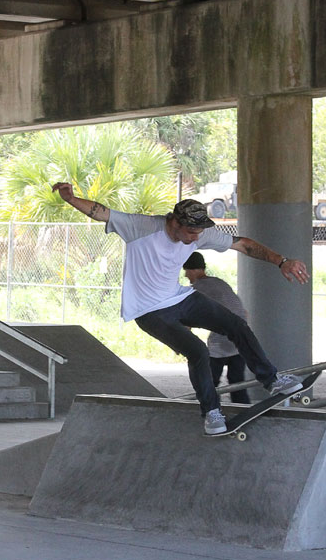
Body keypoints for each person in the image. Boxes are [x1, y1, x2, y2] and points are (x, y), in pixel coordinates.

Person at [51, 182, 310, 436]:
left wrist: (281, 261)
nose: (195, 239)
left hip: (180, 298)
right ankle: (211, 413)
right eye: (190, 233)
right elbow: (100, 211)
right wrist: (70, 198)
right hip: (149, 311)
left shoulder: (200, 232)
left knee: (236, 324)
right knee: (198, 351)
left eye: (198, 234)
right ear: (174, 222)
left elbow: (242, 244)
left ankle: (272, 380)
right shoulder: (140, 227)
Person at [182, 251, 250, 404]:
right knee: (238, 384)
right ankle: (243, 409)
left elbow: (187, 317)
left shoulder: (198, 288)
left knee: (210, 382)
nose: (186, 275)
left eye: (186, 271)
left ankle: (212, 409)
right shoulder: (219, 282)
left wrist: (182, 342)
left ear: (192, 270)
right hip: (241, 338)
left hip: (222, 340)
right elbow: (244, 312)